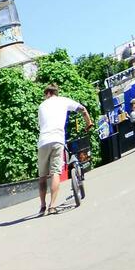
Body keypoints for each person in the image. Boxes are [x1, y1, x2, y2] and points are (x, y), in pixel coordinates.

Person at [37, 83, 92, 215]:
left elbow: (41, 125)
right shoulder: (64, 101)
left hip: (43, 141)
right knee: (55, 172)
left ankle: (43, 206)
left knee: (42, 177)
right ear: (56, 92)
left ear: (48, 93)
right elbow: (82, 109)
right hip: (57, 139)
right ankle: (52, 206)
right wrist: (88, 123)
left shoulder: (41, 106)